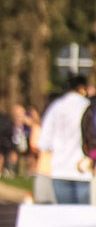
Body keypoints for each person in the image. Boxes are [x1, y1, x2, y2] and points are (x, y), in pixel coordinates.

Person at [37, 75, 90, 204]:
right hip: (84, 169)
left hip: (60, 169)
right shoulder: (88, 107)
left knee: (66, 216)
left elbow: (44, 143)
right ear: (82, 88)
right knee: (83, 218)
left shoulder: (56, 107)